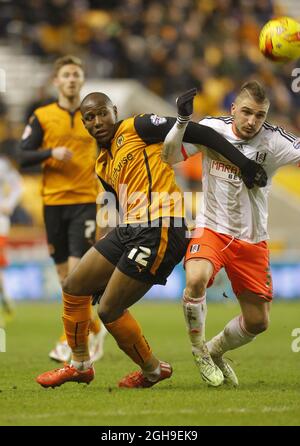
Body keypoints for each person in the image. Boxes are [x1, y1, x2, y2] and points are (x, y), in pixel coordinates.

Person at [35, 89, 267, 389]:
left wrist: (244, 165)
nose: (97, 121)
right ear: (84, 124)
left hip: (161, 226)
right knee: (74, 286)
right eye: (89, 118)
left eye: (102, 112)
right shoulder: (102, 164)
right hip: (130, 227)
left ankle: (153, 370)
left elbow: (199, 133)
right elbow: (116, 206)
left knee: (108, 309)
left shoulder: (137, 126)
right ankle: (80, 365)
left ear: (114, 111)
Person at [162, 80, 300, 387]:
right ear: (233, 109)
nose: (252, 121)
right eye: (247, 112)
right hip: (211, 229)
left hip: (252, 239)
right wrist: (183, 122)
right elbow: (169, 157)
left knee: (258, 322)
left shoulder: (274, 141)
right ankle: (199, 352)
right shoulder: (213, 129)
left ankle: (215, 350)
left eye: (260, 115)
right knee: (196, 278)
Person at [20, 55, 106, 363]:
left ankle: (68, 341)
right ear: (57, 81)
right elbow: (23, 155)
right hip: (53, 203)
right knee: (63, 277)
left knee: (74, 274)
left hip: (84, 200)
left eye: (76, 75)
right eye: (66, 75)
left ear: (82, 81)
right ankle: (94, 327)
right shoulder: (42, 116)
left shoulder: (93, 115)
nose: (71, 79)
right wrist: (50, 152)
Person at [0, 155, 22, 325]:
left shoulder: (3, 164)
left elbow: (18, 186)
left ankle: (6, 298)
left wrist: (9, 203)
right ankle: (6, 297)